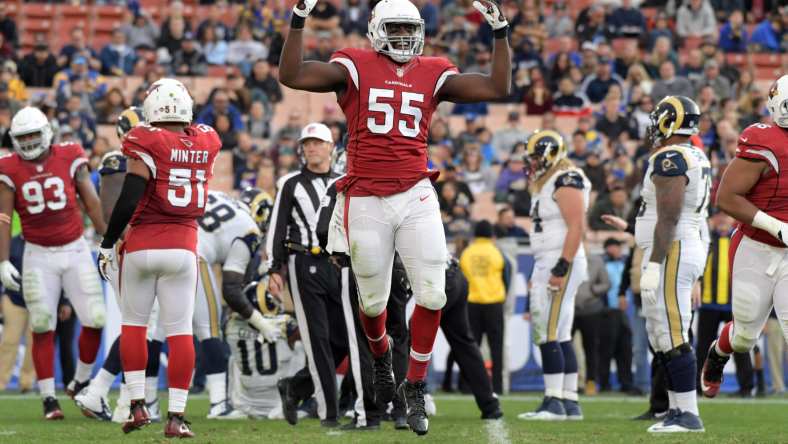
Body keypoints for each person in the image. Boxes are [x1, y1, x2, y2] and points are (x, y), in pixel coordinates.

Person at [278, 0, 511, 434]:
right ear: (375, 30)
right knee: (372, 303)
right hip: (365, 196)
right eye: (396, 28)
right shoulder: (354, 64)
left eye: (410, 28)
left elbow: (496, 87)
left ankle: (416, 386)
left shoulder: (433, 69)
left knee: (434, 293)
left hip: (415, 192)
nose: (404, 36)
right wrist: (298, 20)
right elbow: (291, 75)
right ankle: (382, 359)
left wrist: (500, 33)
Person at [96, 78, 221, 438]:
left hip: (142, 242)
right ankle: (176, 416)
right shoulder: (208, 140)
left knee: (133, 326)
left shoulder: (145, 139)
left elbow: (131, 194)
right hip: (183, 245)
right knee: (179, 332)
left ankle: (136, 404)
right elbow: (190, 139)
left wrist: (107, 242)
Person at [0, 106, 107, 420]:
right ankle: (49, 398)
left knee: (96, 319)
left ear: (47, 131)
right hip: (37, 254)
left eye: (34, 134)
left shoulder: (70, 154)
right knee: (42, 325)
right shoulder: (8, 167)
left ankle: (81, 381)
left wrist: (109, 240)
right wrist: (2, 259)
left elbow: (90, 200)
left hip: (74, 248)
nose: (30, 141)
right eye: (24, 137)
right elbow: (4, 217)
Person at [75, 107, 166, 423]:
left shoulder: (146, 159)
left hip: (136, 250)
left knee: (139, 325)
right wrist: (125, 240)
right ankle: (111, 396)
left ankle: (110, 395)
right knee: (140, 326)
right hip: (127, 250)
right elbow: (110, 213)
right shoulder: (119, 160)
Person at [701, 75, 788, 399]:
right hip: (756, 246)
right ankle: (717, 355)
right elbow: (725, 198)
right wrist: (774, 225)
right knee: (745, 337)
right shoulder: (763, 139)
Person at [264, 122, 349, 428]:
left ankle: (296, 387)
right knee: (317, 339)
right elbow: (277, 227)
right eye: (307, 144)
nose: (311, 148)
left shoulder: (343, 182)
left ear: (330, 147)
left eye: (317, 143)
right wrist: (275, 268)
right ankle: (329, 413)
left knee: (343, 338)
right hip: (304, 262)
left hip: (338, 266)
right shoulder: (290, 183)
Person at [635, 95, 710, 433]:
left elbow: (669, 215)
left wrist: (652, 263)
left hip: (673, 248)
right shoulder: (692, 153)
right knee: (660, 331)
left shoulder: (671, 156)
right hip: (679, 245)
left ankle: (688, 413)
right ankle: (676, 409)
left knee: (673, 330)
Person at [518, 130, 590, 421]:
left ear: (548, 154)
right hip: (553, 258)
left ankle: (553, 402)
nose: (532, 163)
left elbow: (576, 226)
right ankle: (570, 400)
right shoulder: (551, 180)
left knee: (545, 331)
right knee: (560, 333)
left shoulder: (566, 178)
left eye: (535, 157)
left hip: (559, 259)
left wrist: (561, 266)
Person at [459, 220, 511, 394]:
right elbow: (507, 278)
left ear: (475, 234)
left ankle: (467, 385)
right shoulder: (498, 253)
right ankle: (497, 386)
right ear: (491, 235)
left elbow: (461, 279)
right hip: (494, 304)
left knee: (470, 347)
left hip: (472, 304)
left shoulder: (467, 253)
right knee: (497, 348)